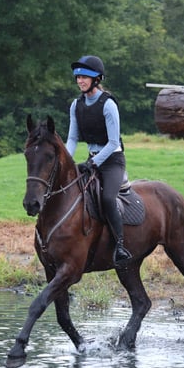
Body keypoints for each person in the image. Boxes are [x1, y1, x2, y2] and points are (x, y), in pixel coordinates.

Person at [66, 55, 132, 267]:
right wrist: (67, 161)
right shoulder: (76, 105)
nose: (80, 81)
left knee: (107, 199)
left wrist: (94, 163)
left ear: (96, 79)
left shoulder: (108, 104)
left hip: (112, 161)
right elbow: (73, 138)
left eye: (84, 77)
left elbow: (113, 143)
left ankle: (120, 246)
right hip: (91, 160)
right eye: (78, 77)